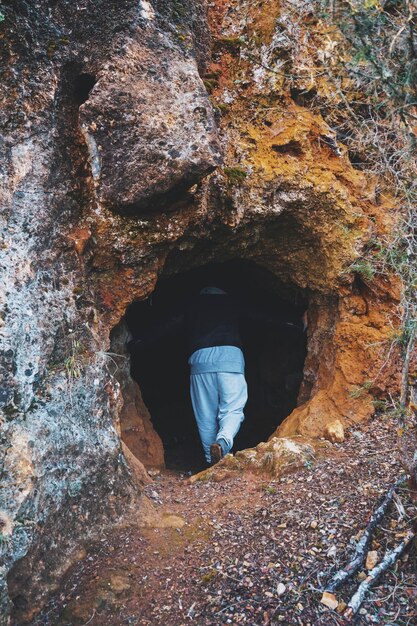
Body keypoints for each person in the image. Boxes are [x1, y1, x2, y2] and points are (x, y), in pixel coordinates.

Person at [128, 286, 305, 465]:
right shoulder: (232, 302)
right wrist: (296, 323)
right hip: (231, 357)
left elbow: (164, 325)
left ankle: (211, 461)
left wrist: (135, 342)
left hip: (200, 360)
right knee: (233, 409)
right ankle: (223, 441)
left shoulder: (191, 305)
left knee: (205, 415)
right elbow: (264, 315)